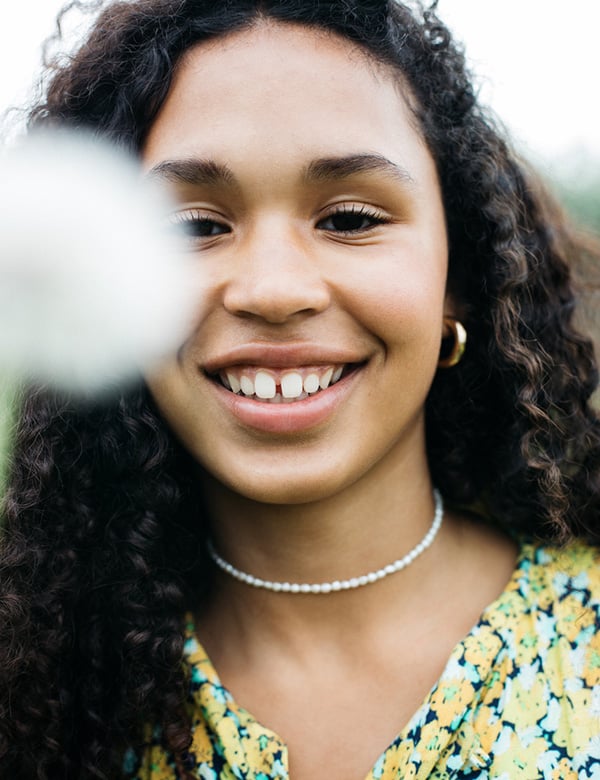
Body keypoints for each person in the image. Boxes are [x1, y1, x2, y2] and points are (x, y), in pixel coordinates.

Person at [1, 0, 599, 778]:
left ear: (461, 275)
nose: (274, 291)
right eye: (194, 227)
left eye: (349, 218)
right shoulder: (43, 695)